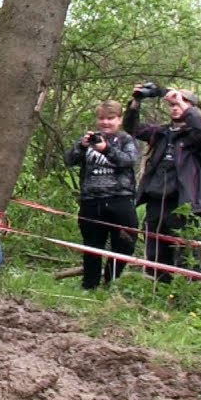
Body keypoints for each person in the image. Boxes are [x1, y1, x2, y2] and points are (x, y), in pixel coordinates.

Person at [122, 83, 201, 281]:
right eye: (173, 104)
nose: (176, 107)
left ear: (192, 108)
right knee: (156, 253)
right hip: (156, 201)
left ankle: (185, 294)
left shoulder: (198, 136)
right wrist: (136, 102)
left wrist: (181, 102)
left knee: (187, 254)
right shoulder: (161, 132)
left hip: (184, 204)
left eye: (182, 103)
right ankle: (159, 291)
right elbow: (132, 128)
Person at [65, 100, 140, 289]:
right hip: (91, 201)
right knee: (92, 246)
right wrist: (82, 146)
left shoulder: (125, 140)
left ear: (119, 119)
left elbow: (129, 160)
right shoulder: (89, 139)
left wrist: (106, 149)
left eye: (110, 118)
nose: (105, 122)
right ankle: (89, 286)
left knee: (125, 243)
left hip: (120, 199)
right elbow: (69, 160)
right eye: (101, 118)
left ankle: (110, 281)